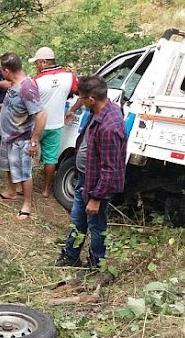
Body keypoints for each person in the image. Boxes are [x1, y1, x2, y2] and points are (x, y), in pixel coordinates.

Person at [55, 75, 126, 268]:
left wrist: (96, 197)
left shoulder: (110, 127)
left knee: (96, 225)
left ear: (91, 99)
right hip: (85, 177)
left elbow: (110, 168)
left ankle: (96, 263)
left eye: (82, 98)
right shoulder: (101, 109)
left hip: (96, 184)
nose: (80, 101)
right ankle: (71, 256)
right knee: (78, 219)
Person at [0, 53, 47, 220]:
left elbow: (41, 114)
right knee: (8, 166)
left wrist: (34, 141)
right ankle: (11, 192)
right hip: (8, 136)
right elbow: (10, 89)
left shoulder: (27, 88)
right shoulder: (14, 84)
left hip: (21, 139)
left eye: (2, 70)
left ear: (7, 70)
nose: (1, 72)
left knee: (23, 173)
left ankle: (27, 204)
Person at [30, 47, 79, 198]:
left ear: (44, 62)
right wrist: (73, 110)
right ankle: (46, 189)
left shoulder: (37, 80)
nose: (36, 66)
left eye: (37, 63)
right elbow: (82, 93)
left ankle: (22, 186)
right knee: (51, 158)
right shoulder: (69, 76)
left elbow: (29, 102)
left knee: (28, 153)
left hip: (37, 124)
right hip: (56, 124)